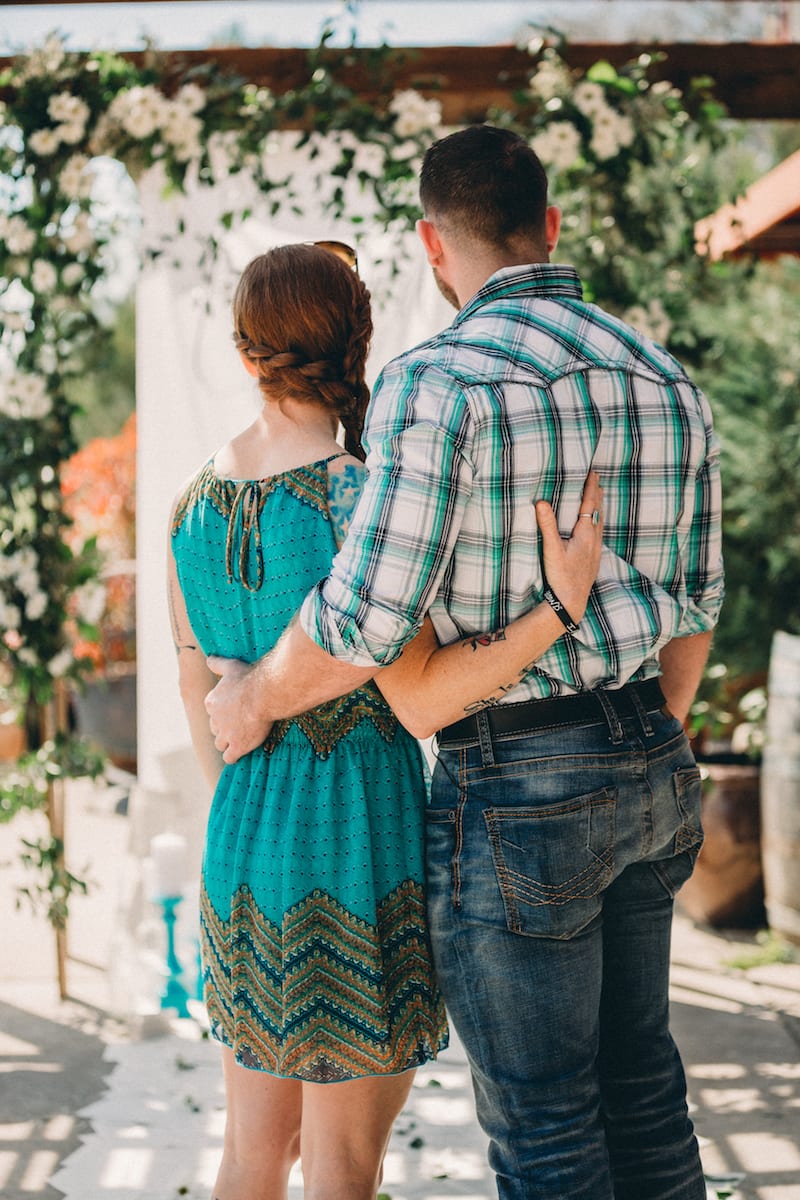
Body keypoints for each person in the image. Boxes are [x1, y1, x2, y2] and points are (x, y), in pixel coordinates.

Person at [204, 126, 724, 1198]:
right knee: (643, 1087)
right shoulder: (663, 377)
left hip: (516, 776)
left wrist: (254, 694)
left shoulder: (435, 383)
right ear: (550, 225)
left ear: (431, 245)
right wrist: (643, 731)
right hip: (650, 757)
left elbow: (365, 621)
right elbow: (696, 606)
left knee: (544, 1120)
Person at [168, 239, 604, 1200]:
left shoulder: (189, 509)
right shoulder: (361, 499)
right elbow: (421, 679)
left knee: (252, 1153)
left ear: (248, 354)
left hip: (240, 841)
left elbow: (202, 695)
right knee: (344, 1165)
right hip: (361, 840)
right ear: (357, 343)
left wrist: (248, 805)